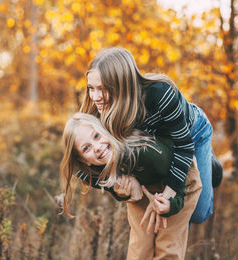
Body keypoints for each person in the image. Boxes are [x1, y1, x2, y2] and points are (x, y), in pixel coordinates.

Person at [80, 47, 222, 224]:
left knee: (198, 214)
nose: (95, 97)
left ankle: (206, 160)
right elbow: (79, 166)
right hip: (156, 149)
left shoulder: (160, 94)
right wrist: (118, 185)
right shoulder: (96, 113)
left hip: (189, 135)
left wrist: (169, 196)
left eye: (103, 89)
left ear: (123, 84)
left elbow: (183, 146)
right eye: (91, 88)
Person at [60, 113, 202, 260]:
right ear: (83, 160)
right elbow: (82, 172)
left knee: (167, 249)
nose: (97, 148)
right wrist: (122, 191)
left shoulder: (145, 152)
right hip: (143, 181)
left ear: (105, 129)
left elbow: (177, 173)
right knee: (139, 251)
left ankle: (208, 163)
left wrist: (170, 204)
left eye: (96, 136)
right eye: (86, 148)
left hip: (178, 178)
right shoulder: (91, 171)